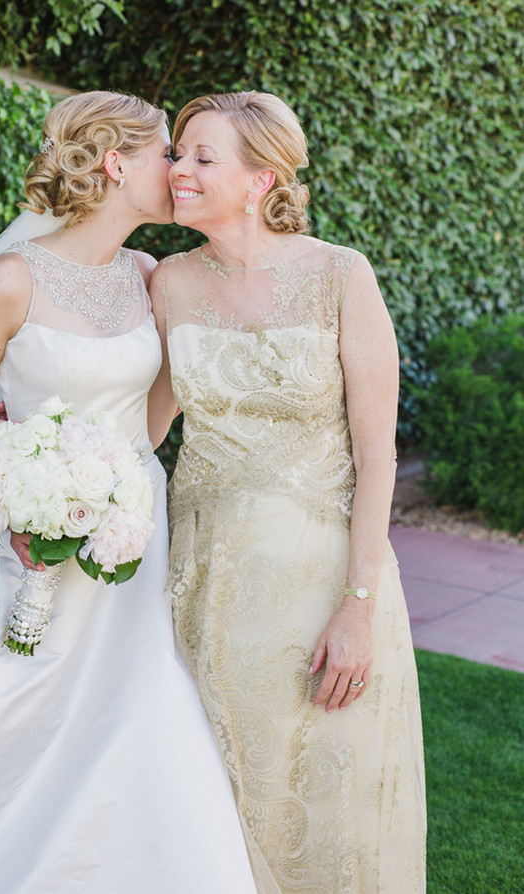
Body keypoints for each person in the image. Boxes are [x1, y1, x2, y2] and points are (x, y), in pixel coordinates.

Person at [0, 91, 257, 892]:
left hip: (131, 542)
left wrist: (187, 370)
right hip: (27, 554)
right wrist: (15, 504)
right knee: (2, 723)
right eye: (166, 155)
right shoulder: (11, 283)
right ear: (116, 163)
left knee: (136, 720)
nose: (179, 171)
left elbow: (145, 431)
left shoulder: (149, 275)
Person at [148, 91, 427, 894]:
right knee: (218, 802)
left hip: (323, 590)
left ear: (262, 177)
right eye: (178, 153)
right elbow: (146, 423)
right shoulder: (166, 282)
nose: (179, 171)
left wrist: (357, 607)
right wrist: (51, 427)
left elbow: (378, 457)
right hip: (203, 587)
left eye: (203, 157)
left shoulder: (341, 274)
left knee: (325, 808)